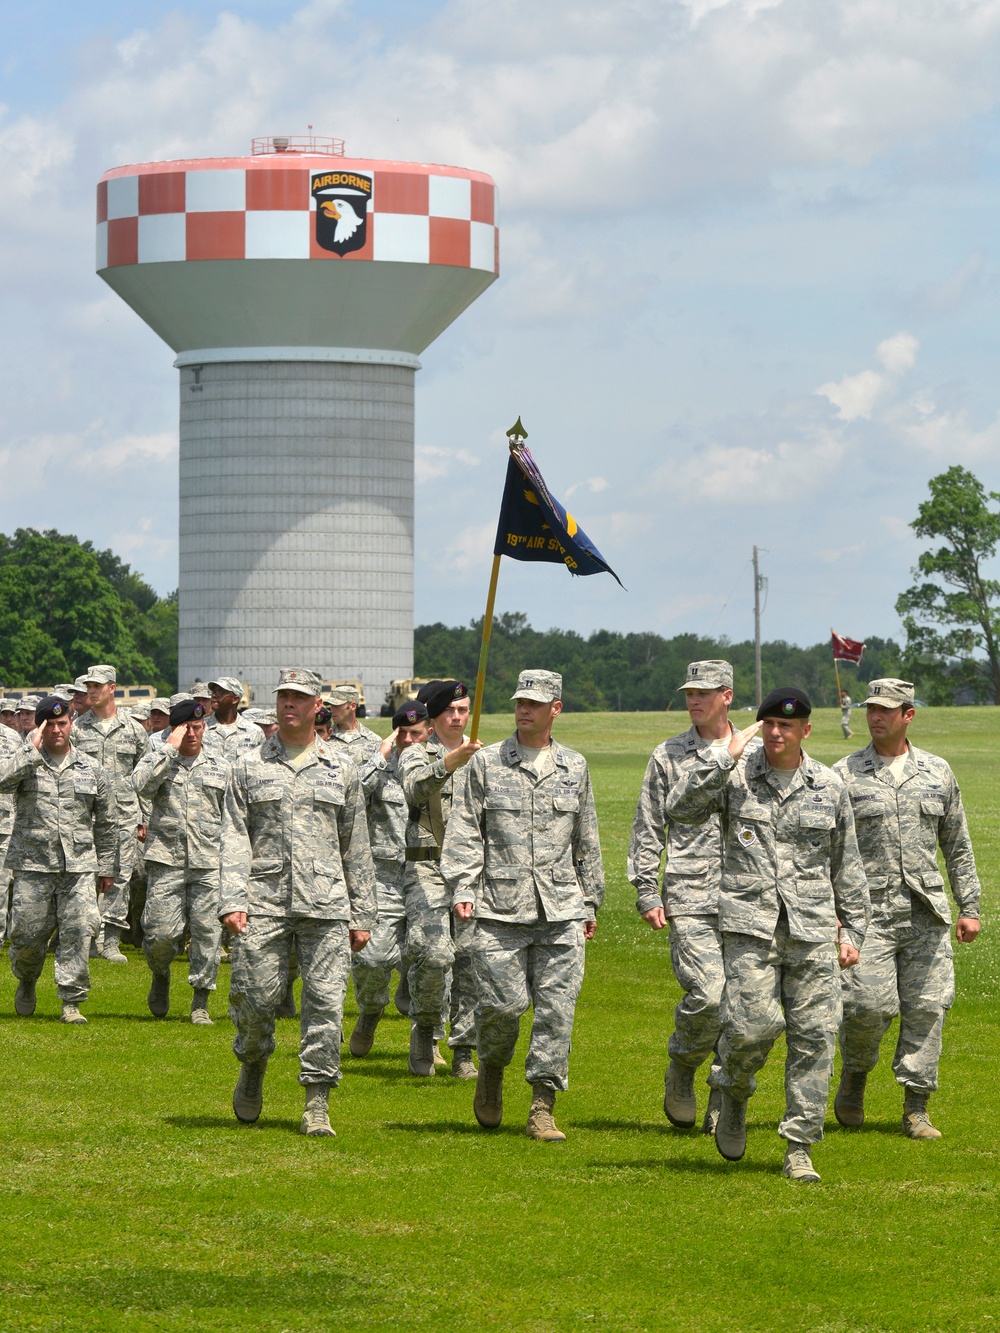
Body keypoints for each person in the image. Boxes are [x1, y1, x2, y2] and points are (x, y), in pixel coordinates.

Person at [666, 687, 869, 1182]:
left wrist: (854, 932)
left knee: (817, 1039)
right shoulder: (735, 776)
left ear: (805, 730)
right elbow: (680, 810)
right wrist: (720, 759)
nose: (776, 733)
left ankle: (799, 1145)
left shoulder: (828, 785)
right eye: (768, 724)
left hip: (813, 930)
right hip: (749, 930)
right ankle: (732, 1090)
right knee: (753, 1028)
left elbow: (847, 864)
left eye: (787, 725)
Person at [443, 670, 604, 1141]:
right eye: (519, 702)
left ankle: (542, 1105)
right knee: (502, 1007)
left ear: (555, 708)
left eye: (534, 703)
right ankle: (492, 1069)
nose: (524, 709)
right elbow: (465, 831)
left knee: (557, 1011)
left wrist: (591, 901)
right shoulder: (486, 763)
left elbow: (586, 839)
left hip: (562, 910)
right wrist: (463, 889)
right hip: (497, 910)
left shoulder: (575, 766)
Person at [219, 667, 377, 1137]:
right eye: (283, 695)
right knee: (254, 999)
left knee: (325, 1005)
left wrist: (363, 912)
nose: (289, 703)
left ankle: (317, 1100)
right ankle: (252, 1065)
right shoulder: (248, 766)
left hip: (326, 904)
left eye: (298, 697)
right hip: (262, 901)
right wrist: (231, 898)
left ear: (316, 707)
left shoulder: (341, 767)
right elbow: (232, 837)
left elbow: (356, 844)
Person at [832, 678, 981, 1139]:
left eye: (886, 710)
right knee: (864, 1005)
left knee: (928, 1007)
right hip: (866, 916)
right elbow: (827, 850)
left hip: (925, 913)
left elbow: (956, 844)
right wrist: (834, 916)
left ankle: (916, 1107)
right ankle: (855, 1075)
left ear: (908, 714)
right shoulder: (843, 774)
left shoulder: (937, 772)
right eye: (871, 709)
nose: (876, 717)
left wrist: (969, 905)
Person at [628, 659, 736, 1134]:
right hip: (690, 895)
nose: (694, 700)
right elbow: (648, 827)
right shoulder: (669, 754)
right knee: (709, 996)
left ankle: (722, 1094)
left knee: (742, 1005)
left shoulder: (751, 753)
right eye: (690, 693)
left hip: (749, 896)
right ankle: (683, 1065)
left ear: (726, 696)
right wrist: (648, 891)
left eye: (704, 693)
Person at [0, 696, 116, 1023]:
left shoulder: (92, 768)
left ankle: (71, 1001)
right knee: (25, 936)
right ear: (40, 728)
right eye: (49, 724)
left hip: (78, 868)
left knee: (79, 930)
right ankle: (26, 979)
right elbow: (1, 780)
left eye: (61, 723)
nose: (56, 730)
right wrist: (29, 748)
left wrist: (107, 867)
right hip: (32, 866)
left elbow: (108, 822)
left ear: (71, 723)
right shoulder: (25, 763)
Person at [399, 680, 482, 1078]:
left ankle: (464, 1048)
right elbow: (415, 790)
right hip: (426, 868)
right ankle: (426, 1027)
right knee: (434, 954)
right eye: (449, 710)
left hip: (473, 872)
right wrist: (453, 762)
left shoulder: (487, 756)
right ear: (433, 717)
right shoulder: (416, 752)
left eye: (463, 710)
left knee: (469, 961)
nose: (457, 717)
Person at [132, 698, 229, 1024]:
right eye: (186, 727)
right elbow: (140, 787)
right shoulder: (158, 759)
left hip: (208, 862)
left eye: (198, 727)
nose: (192, 733)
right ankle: (160, 974)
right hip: (166, 861)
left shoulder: (220, 765)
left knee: (207, 935)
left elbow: (233, 817)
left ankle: (200, 1001)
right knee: (160, 935)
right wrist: (167, 751)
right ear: (175, 728)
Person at [348, 701, 433, 1059]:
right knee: (372, 960)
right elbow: (350, 797)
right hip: (383, 879)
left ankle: (429, 1036)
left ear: (429, 731)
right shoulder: (377, 769)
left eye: (418, 733)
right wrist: (378, 758)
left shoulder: (439, 769)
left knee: (434, 958)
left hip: (426, 877)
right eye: (404, 734)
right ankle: (369, 1012)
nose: (411, 740)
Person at [71, 665, 150, 962]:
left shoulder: (133, 729)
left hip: (124, 816)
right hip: (86, 816)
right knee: (87, 879)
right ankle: (88, 937)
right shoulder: (77, 729)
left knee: (120, 878)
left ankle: (112, 940)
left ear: (112, 688)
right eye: (89, 686)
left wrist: (145, 817)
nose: (91, 690)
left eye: (97, 686)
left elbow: (144, 778)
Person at [205, 677, 261, 761]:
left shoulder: (255, 732)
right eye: (213, 692)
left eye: (220, 692)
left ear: (235, 699)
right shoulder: (200, 728)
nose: (213, 695)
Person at [328, 685, 381, 768]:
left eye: (336, 706)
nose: (331, 710)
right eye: (331, 706)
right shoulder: (325, 739)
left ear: (352, 706)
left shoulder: (374, 741)